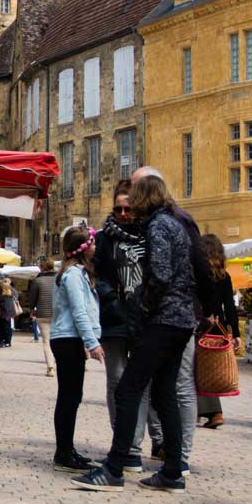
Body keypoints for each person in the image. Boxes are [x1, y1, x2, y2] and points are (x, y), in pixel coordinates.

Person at [72, 172, 195, 494]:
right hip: (182, 320)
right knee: (164, 393)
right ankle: (172, 471)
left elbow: (161, 275)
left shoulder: (157, 226)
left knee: (128, 389)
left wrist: (144, 308)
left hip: (163, 320)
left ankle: (114, 468)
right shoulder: (177, 224)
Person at [92, 182, 163, 470]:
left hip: (144, 316)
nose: (123, 213)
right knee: (116, 381)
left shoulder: (149, 234)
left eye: (128, 208)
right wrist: (111, 299)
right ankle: (122, 443)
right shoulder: (104, 238)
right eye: (118, 208)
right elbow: (99, 274)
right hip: (115, 318)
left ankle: (132, 445)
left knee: (141, 383)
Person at [49, 225, 106, 473]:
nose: (96, 247)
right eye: (92, 243)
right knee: (69, 397)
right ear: (84, 248)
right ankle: (63, 452)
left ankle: (67, 449)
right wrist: (92, 342)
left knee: (72, 397)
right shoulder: (72, 275)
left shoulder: (78, 273)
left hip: (71, 340)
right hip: (67, 339)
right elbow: (79, 310)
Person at [197, 234, 236, 429]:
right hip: (218, 328)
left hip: (202, 324)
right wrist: (235, 333)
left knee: (198, 368)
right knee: (211, 370)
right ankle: (210, 412)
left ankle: (212, 411)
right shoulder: (224, 276)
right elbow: (230, 306)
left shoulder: (200, 274)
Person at [28, 260, 59, 375]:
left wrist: (32, 309)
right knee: (58, 340)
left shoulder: (37, 281)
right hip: (58, 314)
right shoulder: (59, 279)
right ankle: (58, 363)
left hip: (42, 314)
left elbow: (32, 299)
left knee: (46, 341)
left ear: (41, 268)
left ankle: (50, 367)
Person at [0, 280, 19, 348]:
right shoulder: (10, 296)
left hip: (2, 314)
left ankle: (4, 341)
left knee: (2, 328)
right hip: (8, 314)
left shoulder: (3, 296)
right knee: (7, 328)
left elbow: (3, 306)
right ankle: (7, 342)